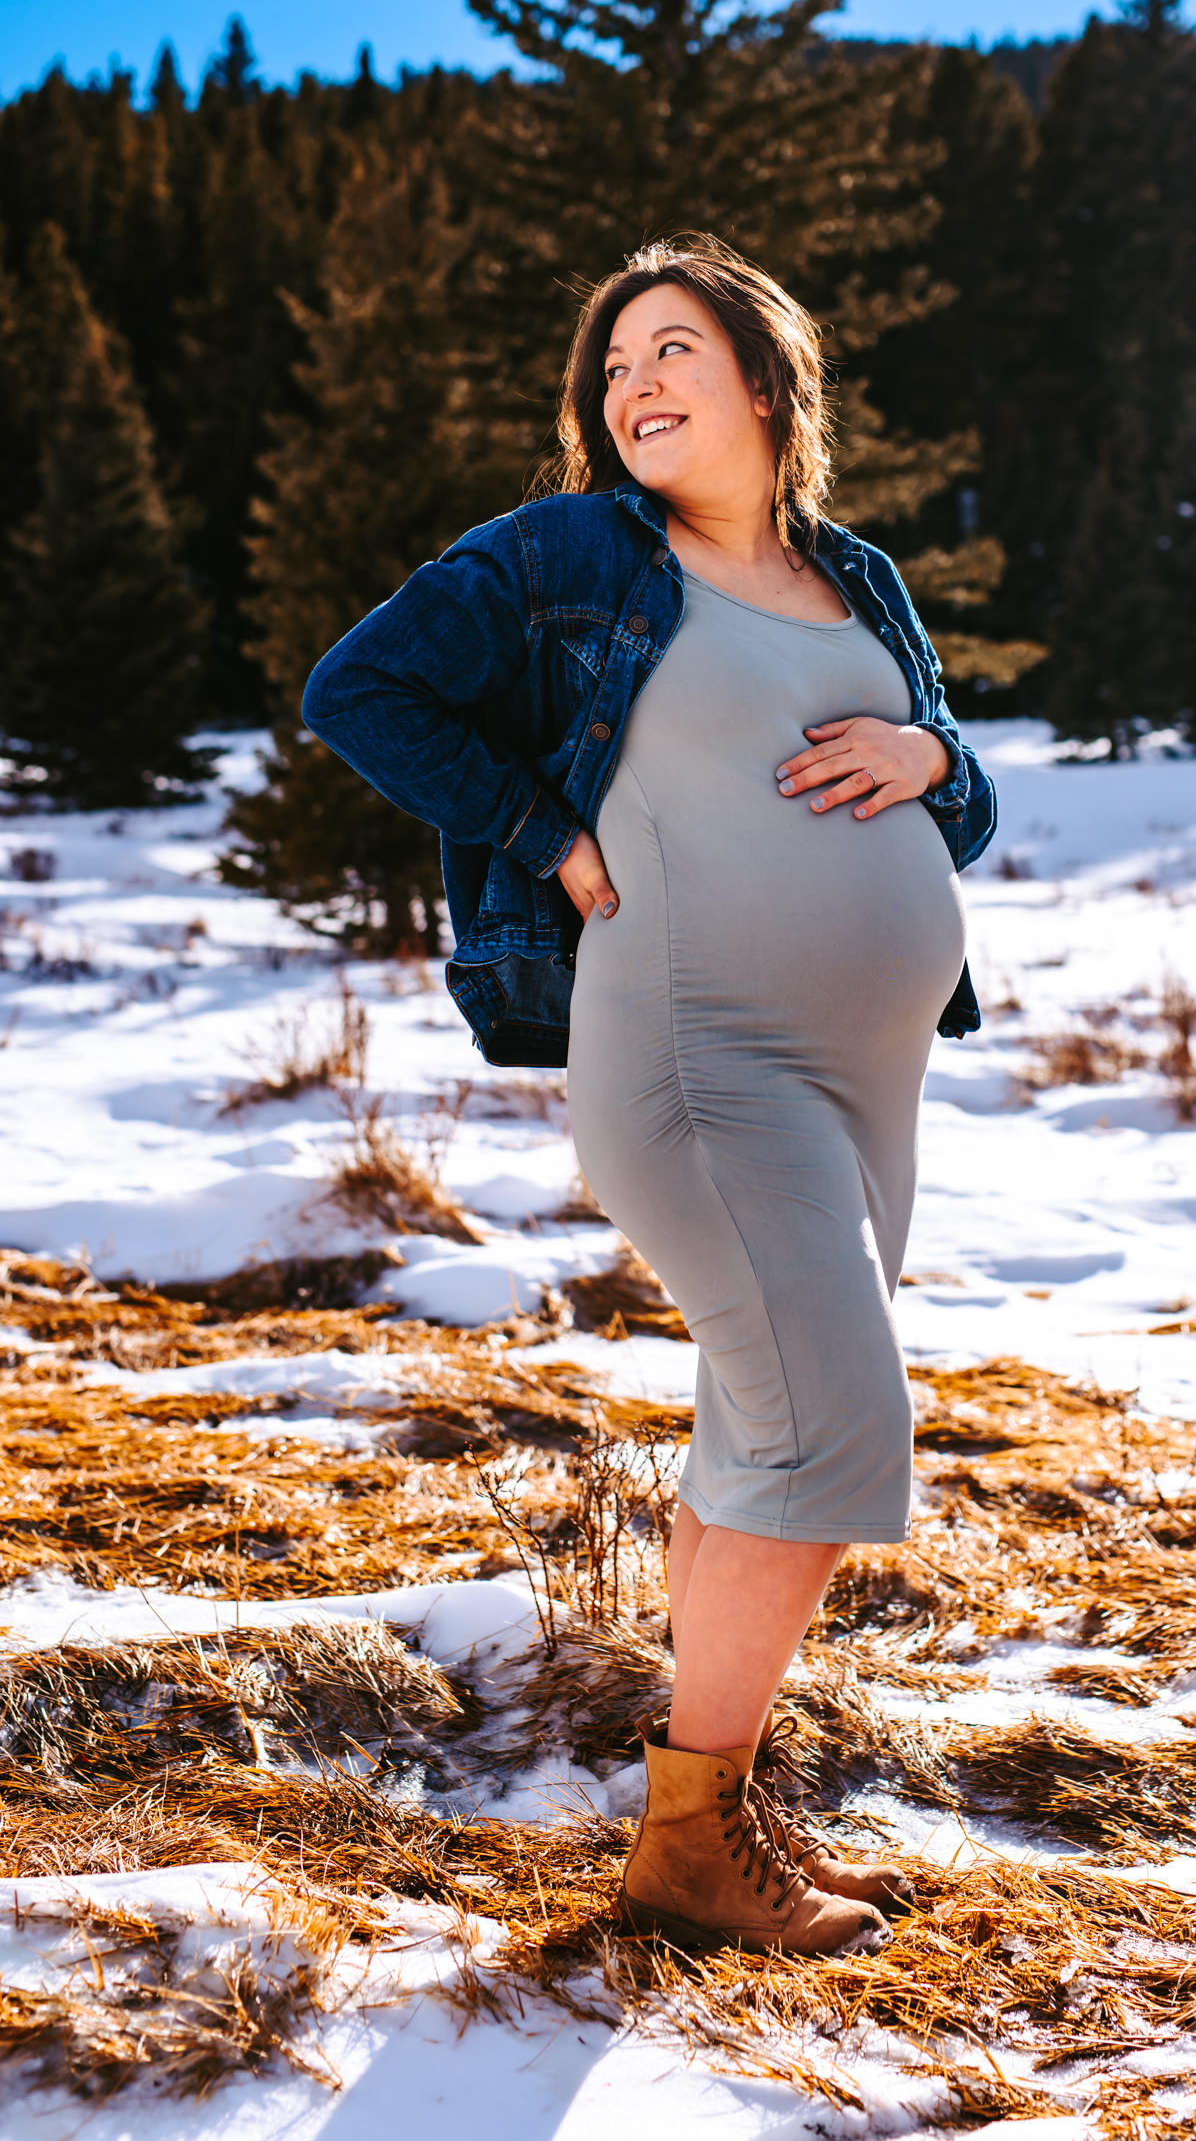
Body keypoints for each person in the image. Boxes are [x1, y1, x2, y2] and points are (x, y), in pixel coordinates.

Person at [302, 235, 997, 1958]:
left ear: (766, 384)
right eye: (614, 368)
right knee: (832, 1422)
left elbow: (956, 798)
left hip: (854, 1080)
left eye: (672, 351)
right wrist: (547, 836)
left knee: (757, 1422)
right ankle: (688, 1834)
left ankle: (711, 1801)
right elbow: (357, 690)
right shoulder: (572, 556)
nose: (636, 389)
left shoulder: (858, 577)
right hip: (695, 1058)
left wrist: (929, 758)